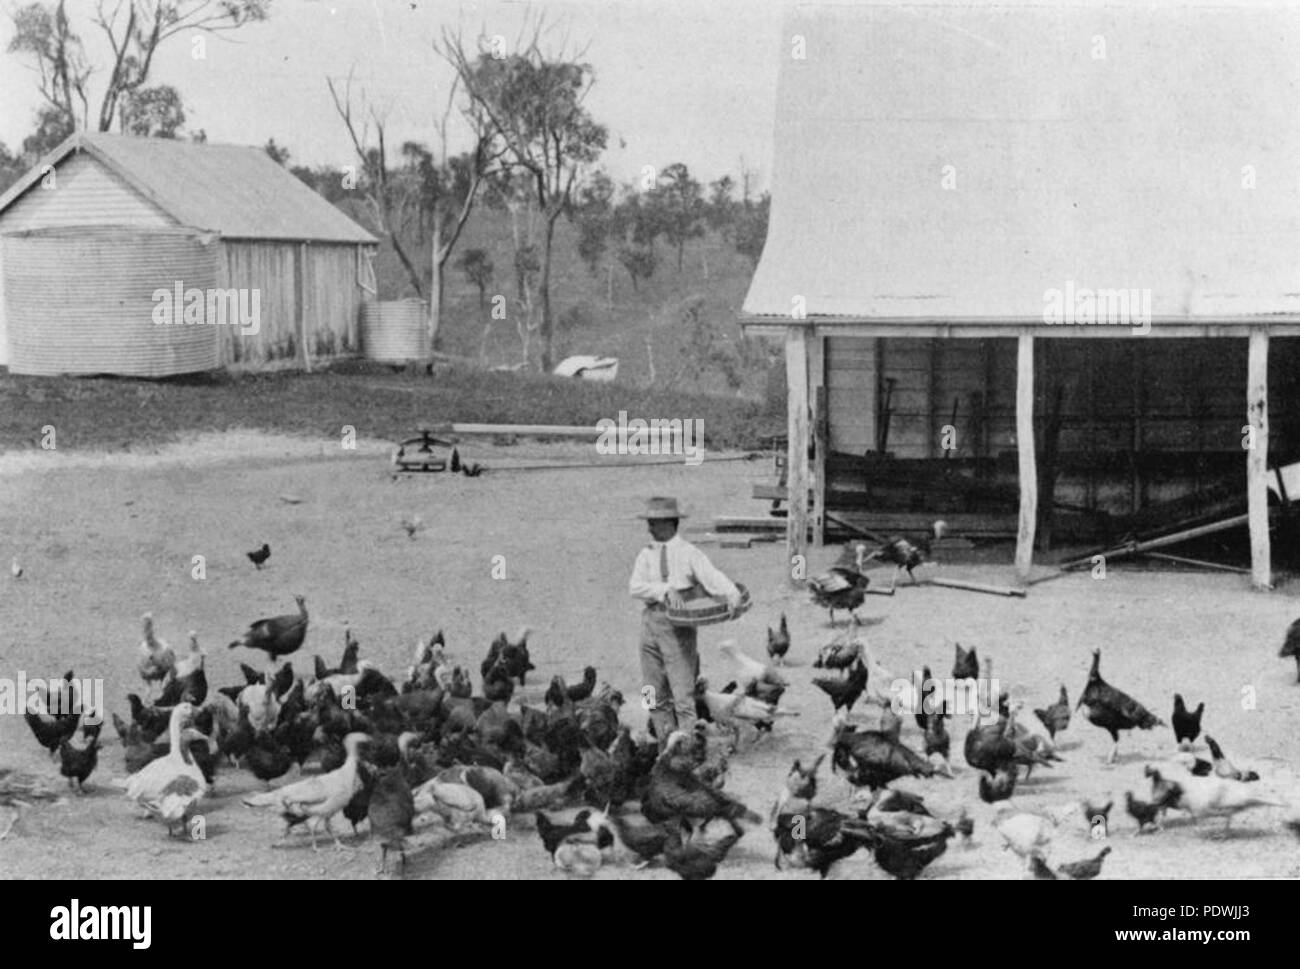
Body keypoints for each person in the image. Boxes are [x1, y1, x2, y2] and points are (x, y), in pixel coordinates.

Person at [628, 496, 742, 741]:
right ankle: (662, 744)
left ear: (670, 523)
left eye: (654, 523)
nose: (649, 528)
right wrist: (664, 590)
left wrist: (732, 595)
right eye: (649, 522)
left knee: (683, 695)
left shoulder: (690, 553)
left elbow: (713, 578)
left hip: (678, 627)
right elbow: (634, 587)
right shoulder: (645, 554)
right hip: (649, 623)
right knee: (651, 691)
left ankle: (689, 748)